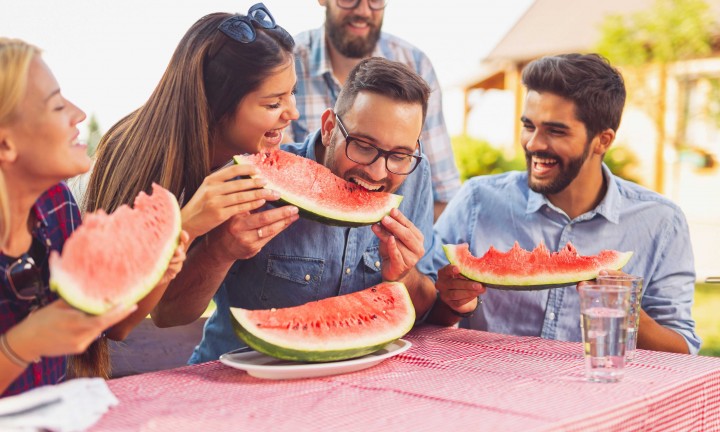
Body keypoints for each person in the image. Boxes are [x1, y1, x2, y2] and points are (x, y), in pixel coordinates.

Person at [153, 57, 439, 363]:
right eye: (363, 146)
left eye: (399, 155)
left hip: (350, 390)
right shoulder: (252, 176)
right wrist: (220, 250)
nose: (379, 172)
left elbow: (423, 307)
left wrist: (405, 276)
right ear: (330, 128)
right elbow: (168, 313)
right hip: (238, 380)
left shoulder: (414, 180)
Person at [429, 53, 700, 355]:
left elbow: (681, 349)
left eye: (555, 131)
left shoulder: (661, 221)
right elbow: (425, 314)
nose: (533, 144)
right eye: (528, 125)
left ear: (603, 140)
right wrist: (450, 304)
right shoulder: (477, 200)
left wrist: (627, 311)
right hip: (486, 387)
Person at [86, 4, 300, 351]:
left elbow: (173, 312)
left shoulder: (239, 160)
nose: (293, 112)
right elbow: (114, 322)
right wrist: (185, 225)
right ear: (217, 105)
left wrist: (218, 249)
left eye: (291, 92)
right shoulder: (132, 152)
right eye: (273, 103)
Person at [0, 38, 186, 397]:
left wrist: (157, 269)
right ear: (6, 145)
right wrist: (24, 342)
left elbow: (102, 323)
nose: (79, 114)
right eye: (56, 106)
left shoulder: (57, 204)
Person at [290, 0, 461, 219]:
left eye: (376, 0)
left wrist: (420, 249)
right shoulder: (287, 64)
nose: (363, 11)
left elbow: (444, 192)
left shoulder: (416, 63)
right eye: (362, 145)